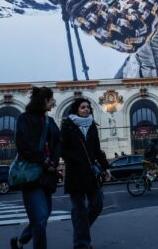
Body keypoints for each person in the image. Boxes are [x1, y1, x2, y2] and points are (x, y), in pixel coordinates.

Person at [10, 87, 62, 249]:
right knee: (39, 219)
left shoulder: (51, 122)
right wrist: (45, 161)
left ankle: (20, 241)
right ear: (44, 100)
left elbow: (59, 144)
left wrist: (53, 162)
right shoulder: (24, 119)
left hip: (48, 176)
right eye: (51, 99)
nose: (53, 103)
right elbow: (24, 144)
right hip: (31, 175)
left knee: (43, 216)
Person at [61, 98, 110, 249]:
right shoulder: (68, 126)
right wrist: (77, 160)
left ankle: (80, 232)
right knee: (80, 210)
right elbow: (63, 150)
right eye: (83, 107)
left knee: (98, 204)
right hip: (75, 173)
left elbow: (96, 149)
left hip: (91, 173)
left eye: (88, 107)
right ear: (76, 109)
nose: (86, 109)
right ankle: (82, 244)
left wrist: (105, 166)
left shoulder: (92, 126)